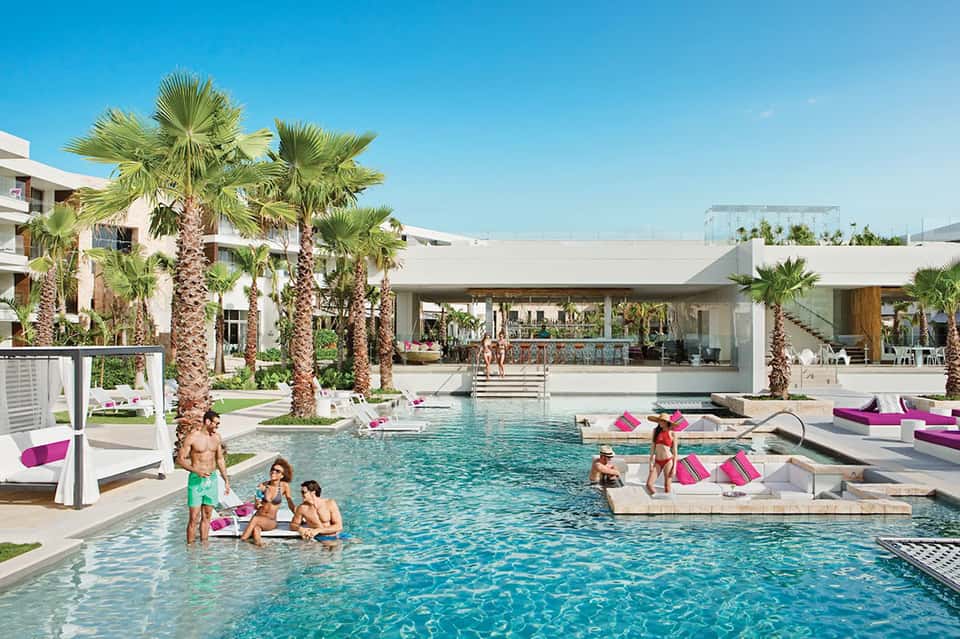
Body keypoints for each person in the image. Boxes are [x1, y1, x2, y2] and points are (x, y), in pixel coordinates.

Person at [177, 410, 230, 544]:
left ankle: (204, 547)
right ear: (207, 421)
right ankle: (191, 548)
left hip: (211, 480)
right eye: (216, 423)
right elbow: (180, 460)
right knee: (194, 518)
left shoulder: (217, 437)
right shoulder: (193, 437)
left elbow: (220, 459)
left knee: (207, 516)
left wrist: (226, 480)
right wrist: (196, 471)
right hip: (196, 480)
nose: (217, 427)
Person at [240, 457, 296, 546]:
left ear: (282, 475)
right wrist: (257, 504)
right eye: (272, 469)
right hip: (258, 518)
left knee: (255, 519)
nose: (273, 472)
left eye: (277, 471)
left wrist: (298, 516)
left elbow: (290, 503)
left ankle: (241, 542)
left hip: (270, 521)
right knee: (256, 529)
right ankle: (259, 544)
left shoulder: (284, 486)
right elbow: (256, 505)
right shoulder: (262, 486)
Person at [645, 413, 680, 495]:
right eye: (659, 421)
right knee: (649, 484)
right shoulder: (655, 431)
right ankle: (657, 498)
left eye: (662, 421)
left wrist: (674, 468)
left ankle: (667, 504)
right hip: (657, 461)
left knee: (667, 486)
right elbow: (653, 447)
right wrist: (650, 462)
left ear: (667, 422)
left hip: (668, 461)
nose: (660, 423)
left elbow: (675, 452)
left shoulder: (672, 433)